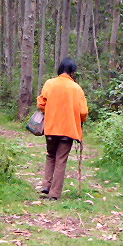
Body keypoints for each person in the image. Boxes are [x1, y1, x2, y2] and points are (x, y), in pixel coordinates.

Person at [37, 57, 88, 200]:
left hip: (50, 129)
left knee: (50, 156)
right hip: (68, 130)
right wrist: (80, 120)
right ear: (72, 72)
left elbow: (41, 103)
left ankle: (46, 185)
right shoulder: (77, 88)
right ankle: (54, 195)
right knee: (61, 160)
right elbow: (83, 112)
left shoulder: (49, 83)